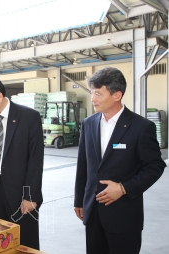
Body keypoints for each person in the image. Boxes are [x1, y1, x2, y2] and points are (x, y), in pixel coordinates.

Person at [74, 67, 166, 254]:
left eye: (98, 94)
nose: (93, 99)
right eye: (92, 93)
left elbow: (155, 166)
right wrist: (79, 200)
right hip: (93, 212)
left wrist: (124, 188)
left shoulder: (141, 127)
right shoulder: (88, 124)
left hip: (124, 215)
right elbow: (83, 164)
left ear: (117, 95)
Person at [0, 75, 44, 250]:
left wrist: (30, 197)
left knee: (24, 243)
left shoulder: (29, 117)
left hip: (21, 196)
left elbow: (36, 160)